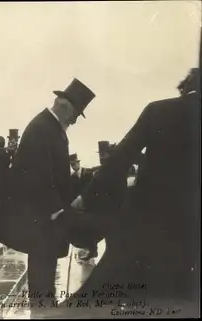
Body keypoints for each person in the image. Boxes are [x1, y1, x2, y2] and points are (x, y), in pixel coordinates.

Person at [72, 68, 201, 304]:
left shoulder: (159, 110)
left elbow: (120, 157)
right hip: (191, 234)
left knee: (108, 296)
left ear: (184, 88)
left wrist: (87, 197)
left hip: (148, 225)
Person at [0, 78, 96, 311]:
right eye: (77, 114)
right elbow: (38, 174)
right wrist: (57, 209)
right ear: (66, 106)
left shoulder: (51, 127)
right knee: (41, 265)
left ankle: (45, 306)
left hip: (46, 213)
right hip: (42, 214)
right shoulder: (43, 128)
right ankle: (42, 311)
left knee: (45, 265)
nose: (75, 120)